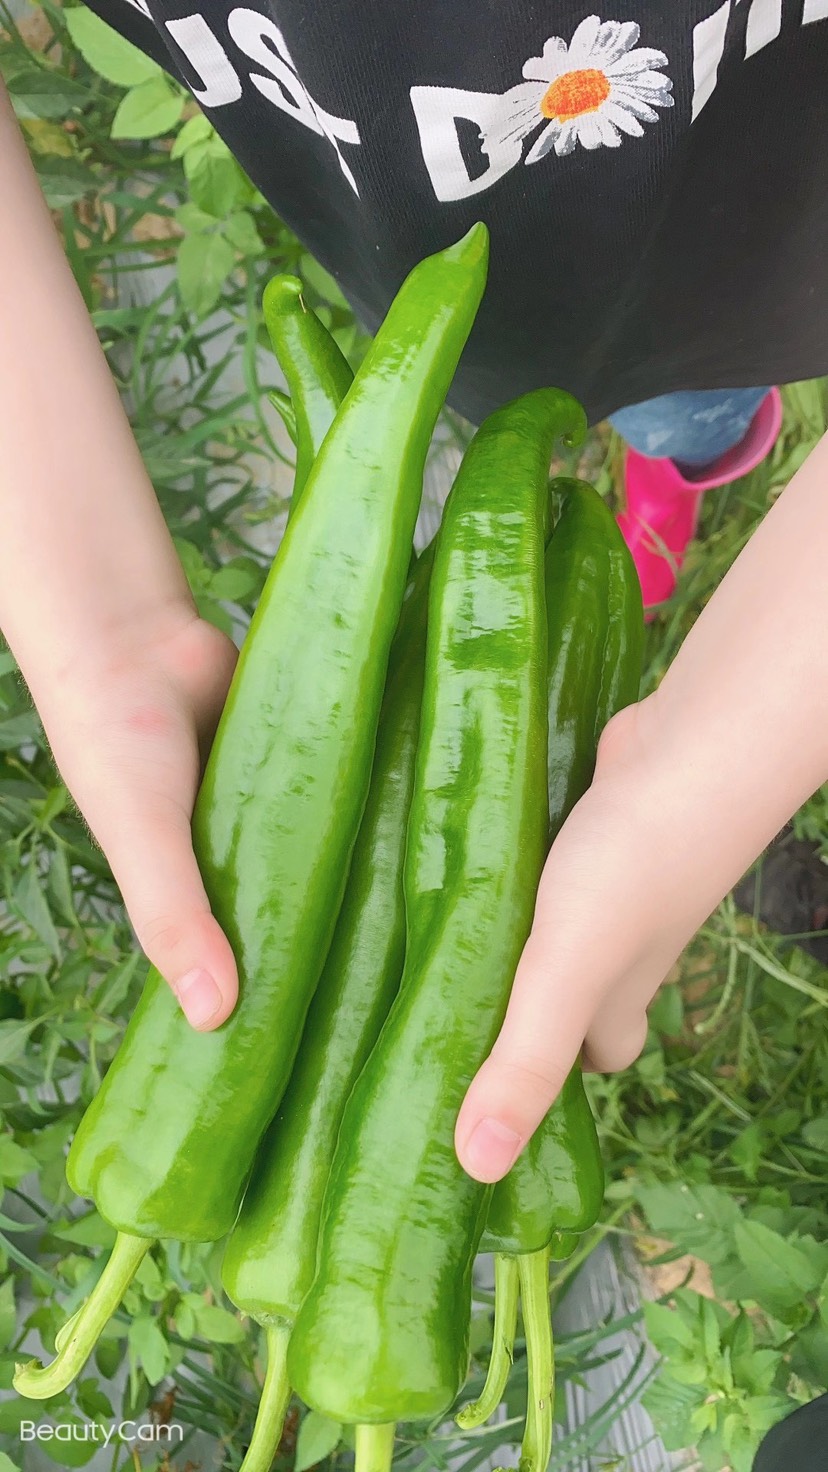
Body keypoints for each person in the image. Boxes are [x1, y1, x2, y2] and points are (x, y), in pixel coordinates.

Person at [1, 6, 826, 1462]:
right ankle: (643, 464)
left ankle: (687, 442)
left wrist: (736, 745)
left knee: (676, 375)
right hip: (366, 189)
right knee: (523, 376)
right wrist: (82, 605)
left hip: (733, 205)